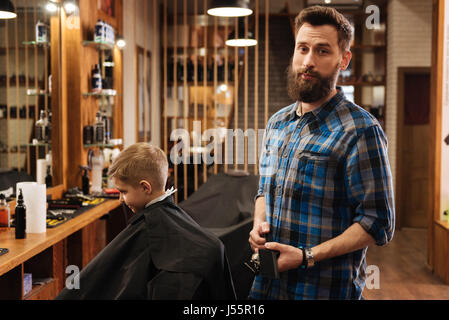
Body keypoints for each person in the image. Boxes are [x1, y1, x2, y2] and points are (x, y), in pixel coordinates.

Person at [248, 5, 395, 300]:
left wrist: (306, 256)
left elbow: (378, 222)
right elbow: (265, 188)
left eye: (322, 51)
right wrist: (257, 225)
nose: (308, 61)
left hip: (323, 291)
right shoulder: (278, 123)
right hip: (268, 288)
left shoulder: (361, 130)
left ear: (344, 59)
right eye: (302, 49)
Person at [56, 143, 236, 300]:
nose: (120, 200)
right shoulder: (210, 244)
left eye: (123, 192)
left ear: (145, 187)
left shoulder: (149, 230)